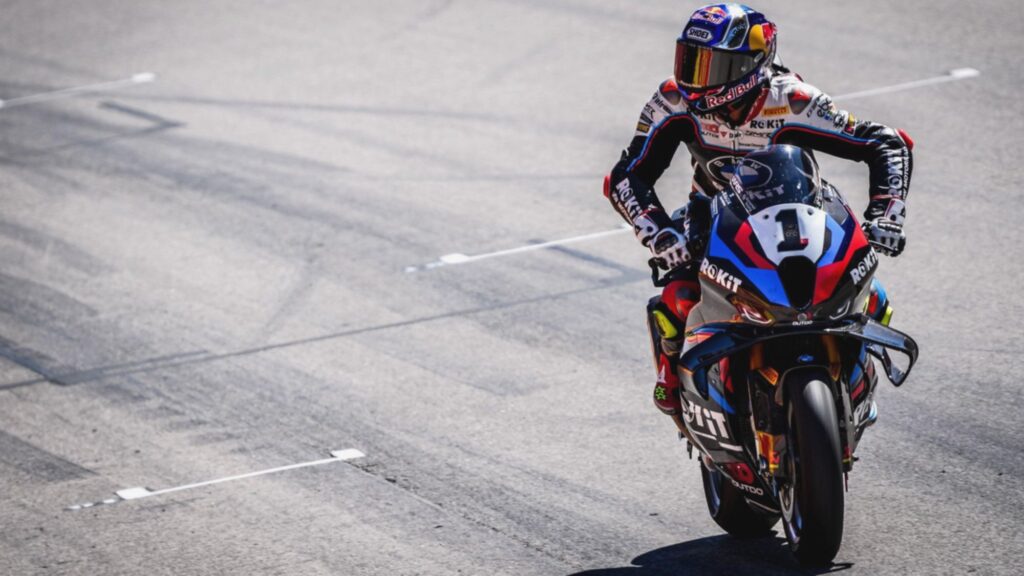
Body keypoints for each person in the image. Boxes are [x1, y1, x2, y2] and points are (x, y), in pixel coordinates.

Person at [604, 3, 912, 428]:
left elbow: (886, 143)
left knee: (868, 289)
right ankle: (674, 390)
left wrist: (887, 215)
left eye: (713, 65)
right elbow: (627, 176)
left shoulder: (794, 101)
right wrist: (660, 235)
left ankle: (859, 374)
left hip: (796, 216)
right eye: (691, 60)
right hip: (713, 219)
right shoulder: (673, 101)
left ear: (751, 65)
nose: (697, 78)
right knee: (679, 298)